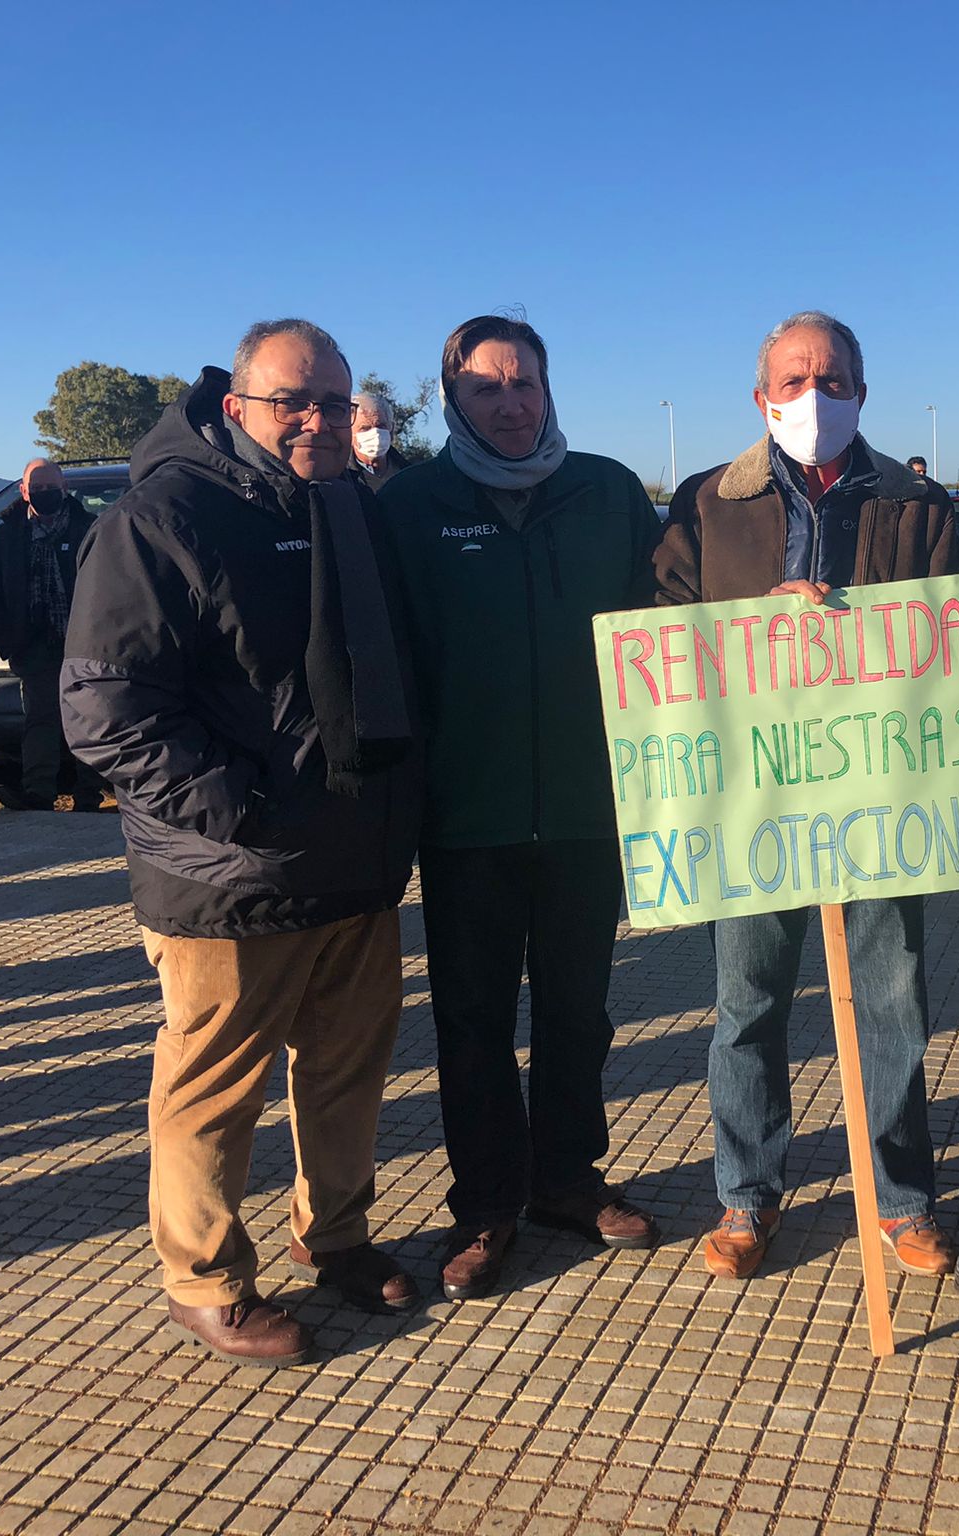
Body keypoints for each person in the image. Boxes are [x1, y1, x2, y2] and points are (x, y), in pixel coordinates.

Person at [61, 318, 424, 1366]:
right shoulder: (159, 519)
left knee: (348, 1073)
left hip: (354, 857)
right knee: (214, 1086)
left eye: (333, 401)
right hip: (230, 876)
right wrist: (247, 814)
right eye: (290, 403)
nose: (314, 420)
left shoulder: (347, 507)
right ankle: (205, 1279)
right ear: (235, 407)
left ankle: (339, 1235)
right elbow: (105, 711)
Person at [655, 310, 959, 1282]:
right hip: (749, 802)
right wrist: (754, 628)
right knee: (746, 1003)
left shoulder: (916, 505)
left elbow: (953, 642)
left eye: (831, 380)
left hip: (878, 798)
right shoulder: (705, 505)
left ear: (861, 393)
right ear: (761, 398)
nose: (811, 398)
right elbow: (662, 633)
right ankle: (746, 1197)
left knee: (890, 1002)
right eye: (792, 381)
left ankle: (902, 1199)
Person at [380, 315, 664, 1301]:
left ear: (549, 390)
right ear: (453, 396)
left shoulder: (610, 493)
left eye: (525, 384)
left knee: (579, 1012)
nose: (509, 403)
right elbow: (389, 661)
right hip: (467, 817)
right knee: (470, 1020)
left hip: (590, 810)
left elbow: (671, 628)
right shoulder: (410, 505)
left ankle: (567, 1181)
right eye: (487, 387)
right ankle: (485, 1206)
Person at [0, 459, 103, 810]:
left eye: (52, 489)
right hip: (32, 643)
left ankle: (89, 792)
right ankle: (38, 791)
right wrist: (8, 641)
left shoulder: (87, 529)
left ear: (65, 490)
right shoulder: (6, 535)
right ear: (24, 491)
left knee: (88, 718)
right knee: (40, 719)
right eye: (38, 489)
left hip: (82, 640)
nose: (45, 495)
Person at [349, 389, 411, 492]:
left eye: (381, 426)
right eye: (365, 428)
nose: (376, 433)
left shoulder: (410, 474)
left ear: (391, 430)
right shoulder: (341, 478)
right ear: (350, 434)